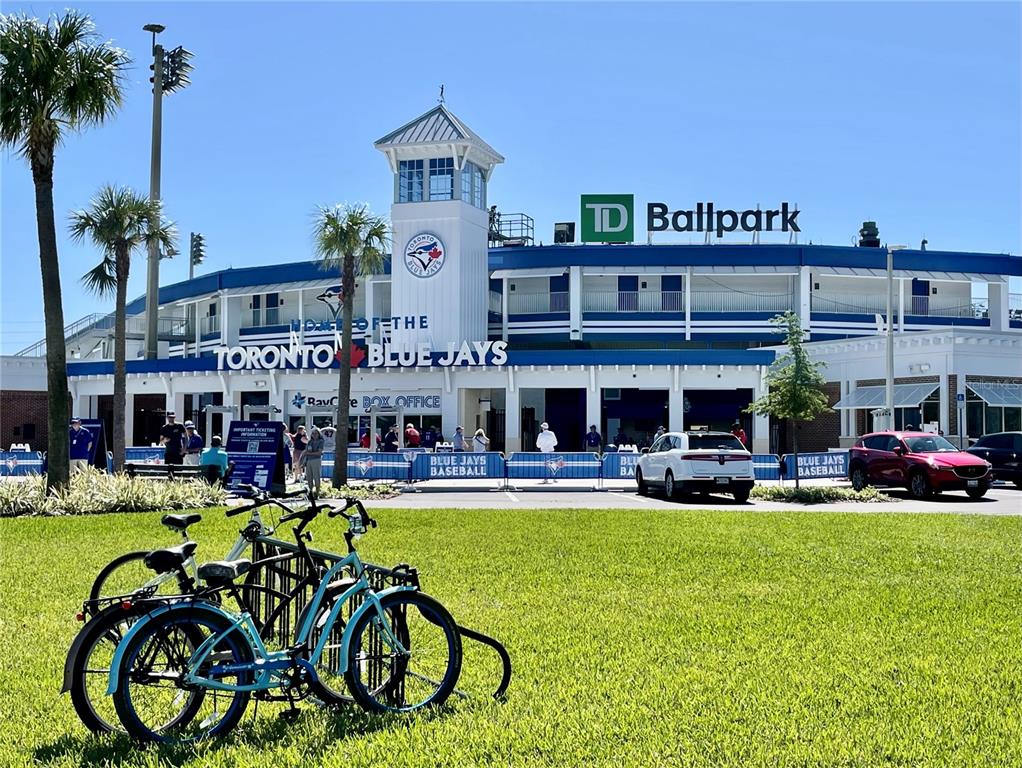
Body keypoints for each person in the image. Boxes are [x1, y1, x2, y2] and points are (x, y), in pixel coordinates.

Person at [303, 426, 324, 495]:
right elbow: (305, 452)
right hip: (309, 461)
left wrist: (309, 453)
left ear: (319, 434)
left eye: (316, 433)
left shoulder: (320, 441)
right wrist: (303, 462)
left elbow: (319, 453)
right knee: (309, 477)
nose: (314, 435)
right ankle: (310, 492)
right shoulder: (310, 442)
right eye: (313, 433)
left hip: (316, 460)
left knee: (316, 476)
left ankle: (317, 492)